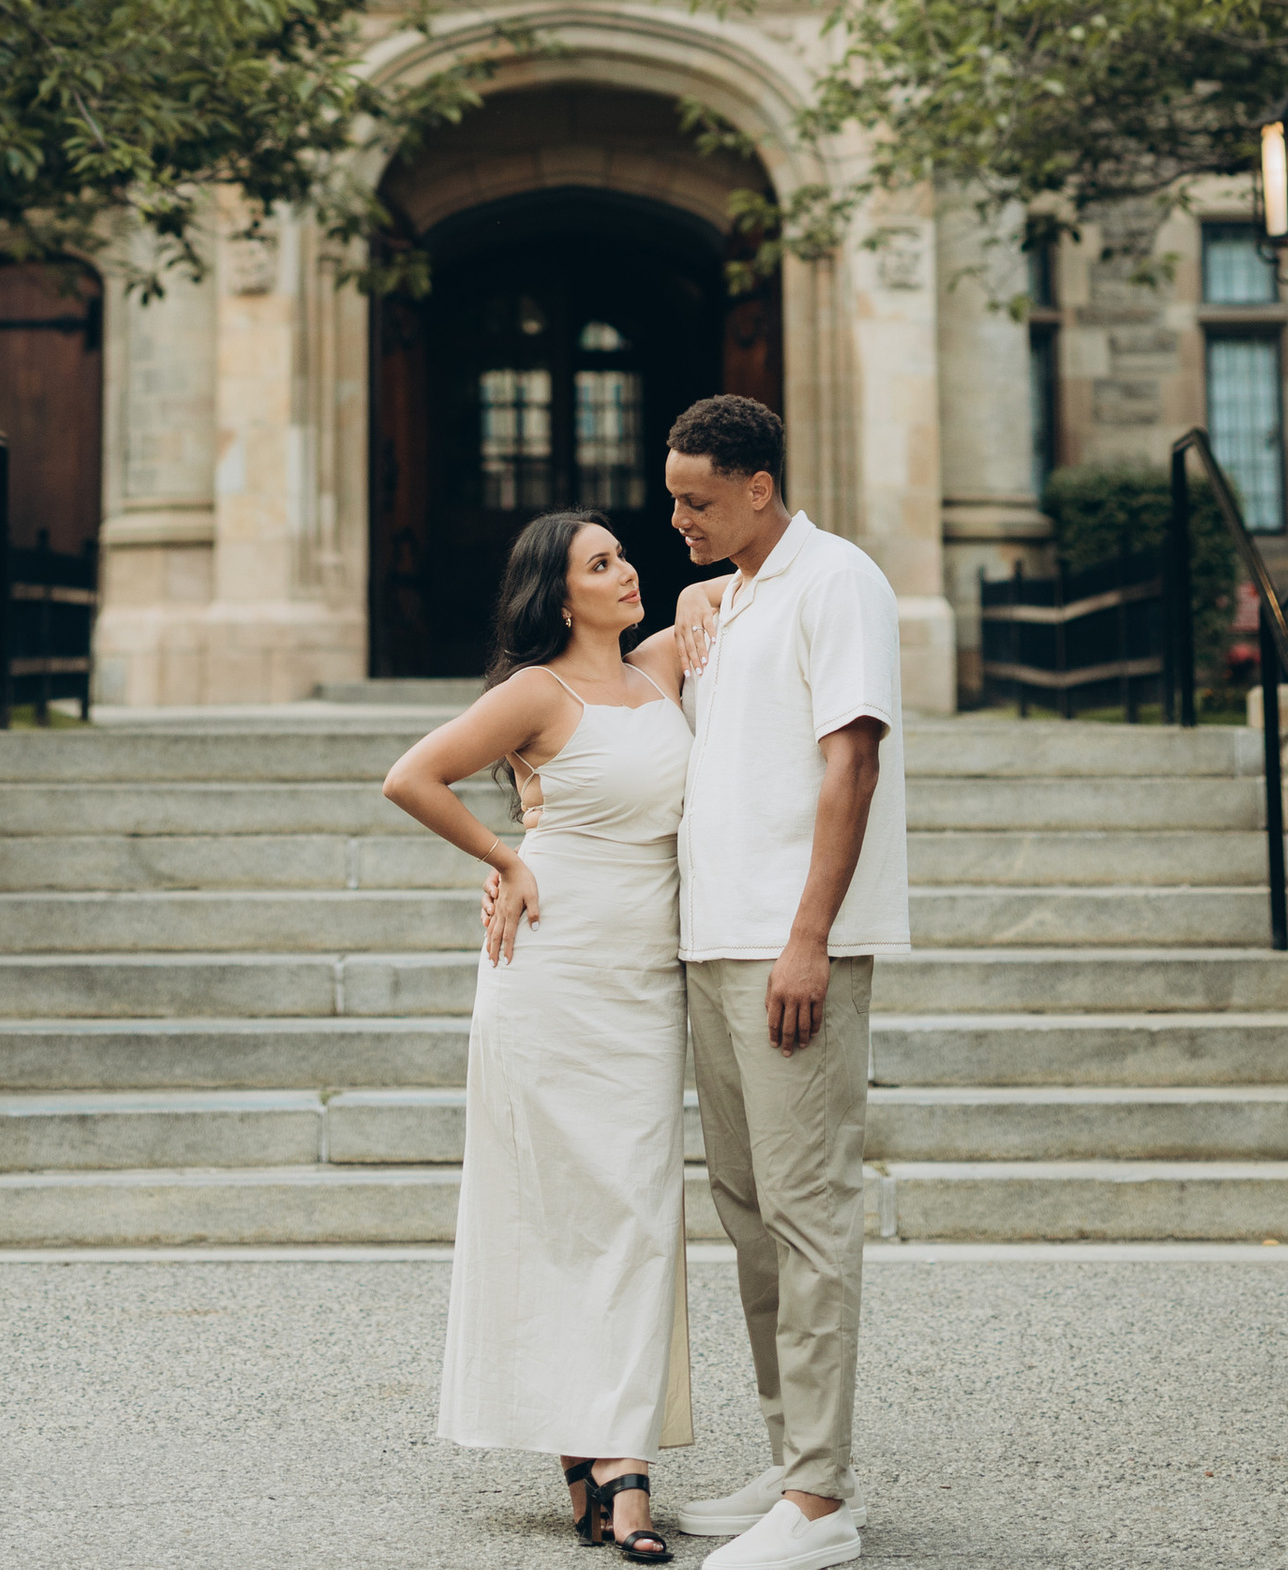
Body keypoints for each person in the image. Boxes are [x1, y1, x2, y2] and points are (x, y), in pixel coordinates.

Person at [382, 511, 696, 1557]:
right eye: (599, 563)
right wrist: (508, 859)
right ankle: (617, 1463)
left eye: (623, 552)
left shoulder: (662, 667)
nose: (626, 568)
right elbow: (411, 777)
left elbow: (728, 588)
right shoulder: (533, 691)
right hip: (550, 971)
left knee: (640, 1211)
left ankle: (602, 1446)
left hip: (647, 980)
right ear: (560, 597)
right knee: (562, 1210)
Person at [660, 395, 906, 1570]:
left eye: (696, 501)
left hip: (786, 944)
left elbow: (849, 759)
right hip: (713, 939)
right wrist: (693, 596)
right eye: (672, 500)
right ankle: (788, 1456)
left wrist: (810, 936)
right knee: (749, 1213)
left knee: (807, 1217)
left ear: (758, 486)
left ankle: (822, 1503)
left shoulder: (837, 579)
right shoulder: (730, 594)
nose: (677, 521)